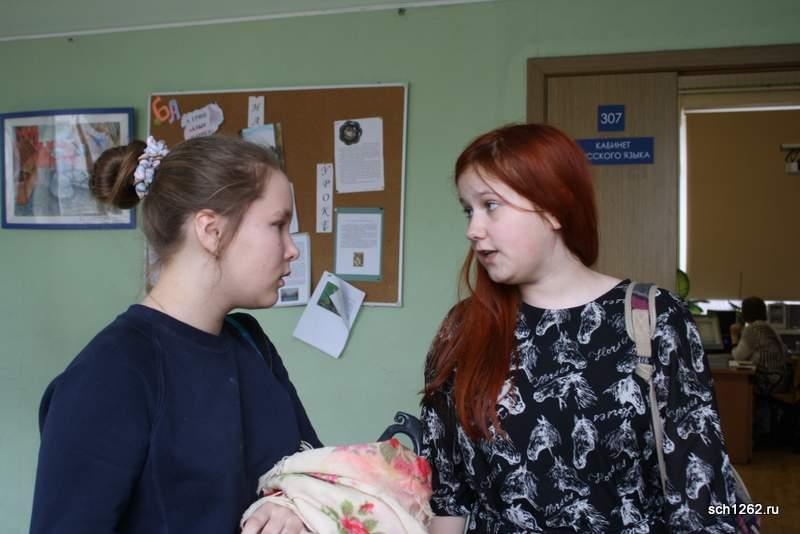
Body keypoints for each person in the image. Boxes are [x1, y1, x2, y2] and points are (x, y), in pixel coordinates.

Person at [420, 124, 738, 533]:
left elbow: (704, 499)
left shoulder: (654, 319)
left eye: (491, 205)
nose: (473, 229)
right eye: (469, 210)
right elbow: (449, 498)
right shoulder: (462, 330)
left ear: (552, 207)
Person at [30, 135, 320, 534]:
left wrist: (295, 504)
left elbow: (316, 470)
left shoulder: (253, 343)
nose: (292, 249)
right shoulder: (109, 375)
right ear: (211, 230)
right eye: (278, 225)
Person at [731, 296, 791, 396]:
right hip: (781, 381)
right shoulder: (769, 327)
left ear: (744, 313)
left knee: (733, 383)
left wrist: (734, 335)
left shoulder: (752, 329)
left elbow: (738, 357)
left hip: (767, 381)